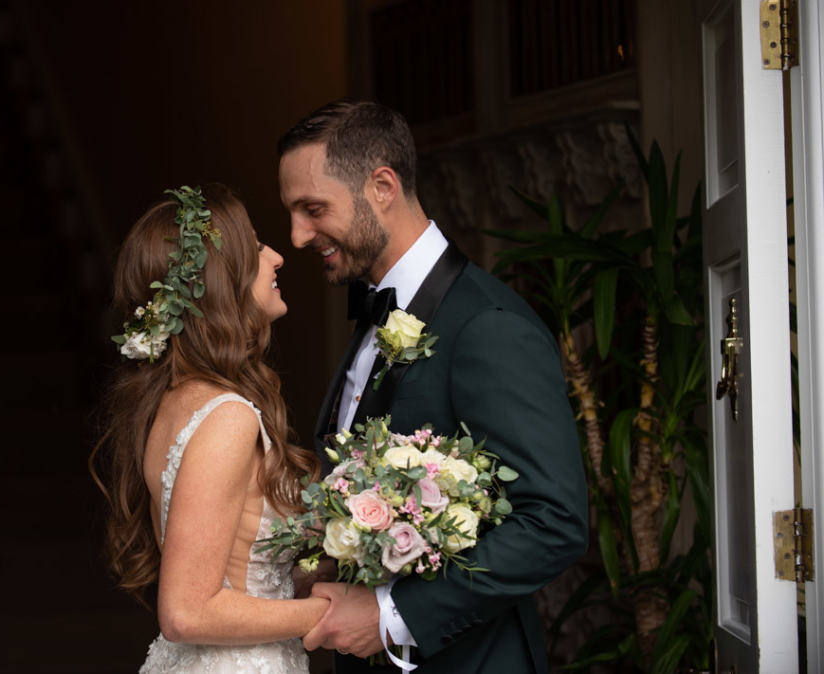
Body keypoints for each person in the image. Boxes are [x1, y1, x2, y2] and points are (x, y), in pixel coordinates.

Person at [278, 100, 589, 673]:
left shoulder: (487, 326)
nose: (297, 236)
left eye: (312, 209)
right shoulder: (374, 316)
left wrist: (390, 615)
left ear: (382, 186)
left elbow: (554, 522)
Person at [90, 184, 327, 673]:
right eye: (257, 248)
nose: (277, 257)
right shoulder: (226, 417)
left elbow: (236, 562)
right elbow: (187, 610)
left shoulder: (178, 400)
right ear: (221, 280)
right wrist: (328, 613)